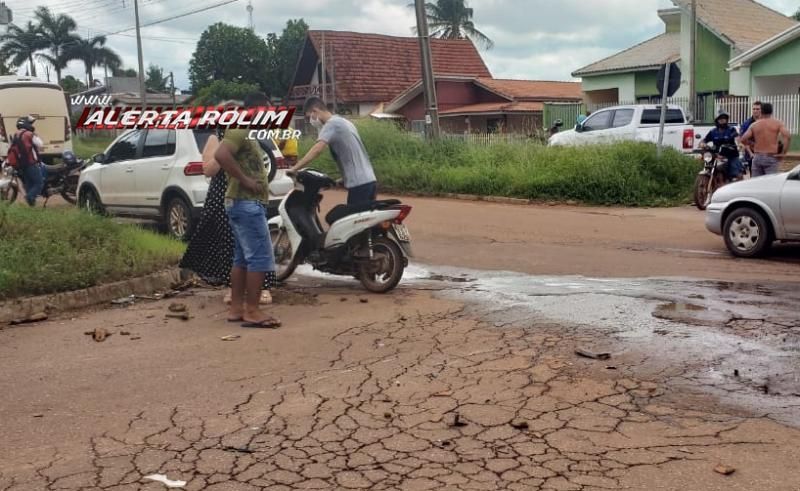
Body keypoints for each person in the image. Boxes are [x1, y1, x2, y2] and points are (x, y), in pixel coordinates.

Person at [178, 125, 274, 306]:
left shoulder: (247, 135)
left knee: (257, 242)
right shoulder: (215, 139)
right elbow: (208, 170)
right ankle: (232, 288)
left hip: (249, 196)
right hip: (223, 195)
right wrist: (224, 147)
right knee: (230, 244)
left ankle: (264, 287)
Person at [214, 92, 280, 328]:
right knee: (260, 258)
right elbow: (220, 155)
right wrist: (246, 181)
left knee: (242, 259)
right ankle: (252, 311)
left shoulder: (245, 129)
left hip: (244, 203)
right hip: (246, 203)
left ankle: (236, 309)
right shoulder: (241, 127)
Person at [289, 97, 378, 205]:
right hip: (369, 180)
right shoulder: (344, 122)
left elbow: (317, 149)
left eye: (310, 117)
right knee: (366, 220)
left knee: (352, 218)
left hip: (359, 184)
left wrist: (295, 168)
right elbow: (353, 153)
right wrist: (343, 179)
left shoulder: (331, 124)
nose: (311, 120)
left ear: (315, 111)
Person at [740, 102, 792, 177]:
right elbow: (788, 136)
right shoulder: (777, 123)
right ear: (771, 111)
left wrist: (752, 144)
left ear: (761, 111)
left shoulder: (754, 125)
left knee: (757, 183)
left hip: (757, 156)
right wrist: (783, 153)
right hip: (771, 156)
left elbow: (743, 139)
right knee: (771, 183)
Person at [6, 116, 43, 206]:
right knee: (39, 183)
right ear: (26, 124)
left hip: (20, 165)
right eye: (30, 123)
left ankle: (31, 206)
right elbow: (40, 144)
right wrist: (36, 135)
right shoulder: (29, 134)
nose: (31, 125)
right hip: (30, 163)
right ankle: (29, 197)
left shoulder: (16, 134)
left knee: (29, 185)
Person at [702, 110, 743, 180]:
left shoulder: (731, 129)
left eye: (724, 118)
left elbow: (737, 138)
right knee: (708, 165)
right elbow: (704, 140)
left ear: (727, 120)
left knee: (736, 174)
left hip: (730, 155)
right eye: (720, 118)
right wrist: (703, 144)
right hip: (717, 156)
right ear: (717, 120)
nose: (722, 120)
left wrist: (739, 144)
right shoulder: (713, 132)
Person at [738, 101, 761, 172]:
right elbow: (742, 139)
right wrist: (750, 153)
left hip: (765, 154)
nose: (755, 111)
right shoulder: (746, 124)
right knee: (754, 177)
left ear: (761, 110)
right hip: (752, 155)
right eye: (754, 109)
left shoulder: (766, 122)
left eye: (757, 109)